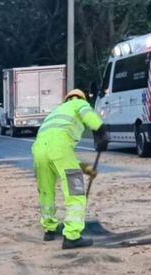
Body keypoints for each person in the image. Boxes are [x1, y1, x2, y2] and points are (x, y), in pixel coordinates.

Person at [31, 89, 105, 249]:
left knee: (46, 191)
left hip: (38, 151)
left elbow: (62, 159)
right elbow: (89, 117)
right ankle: (72, 236)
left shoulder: (56, 111)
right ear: (80, 98)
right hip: (60, 148)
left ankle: (49, 230)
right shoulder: (79, 103)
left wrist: (87, 170)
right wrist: (100, 130)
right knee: (75, 191)